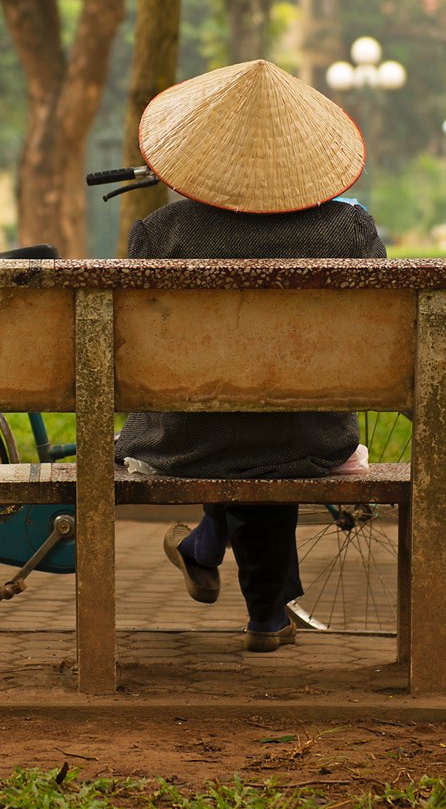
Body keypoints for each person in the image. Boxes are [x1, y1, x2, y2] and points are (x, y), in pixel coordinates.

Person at [113, 59, 382, 653]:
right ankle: (259, 609)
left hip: (186, 437)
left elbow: (139, 350)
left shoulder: (160, 233)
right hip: (311, 436)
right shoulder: (349, 232)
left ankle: (209, 548)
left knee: (228, 414)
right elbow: (382, 336)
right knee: (269, 423)